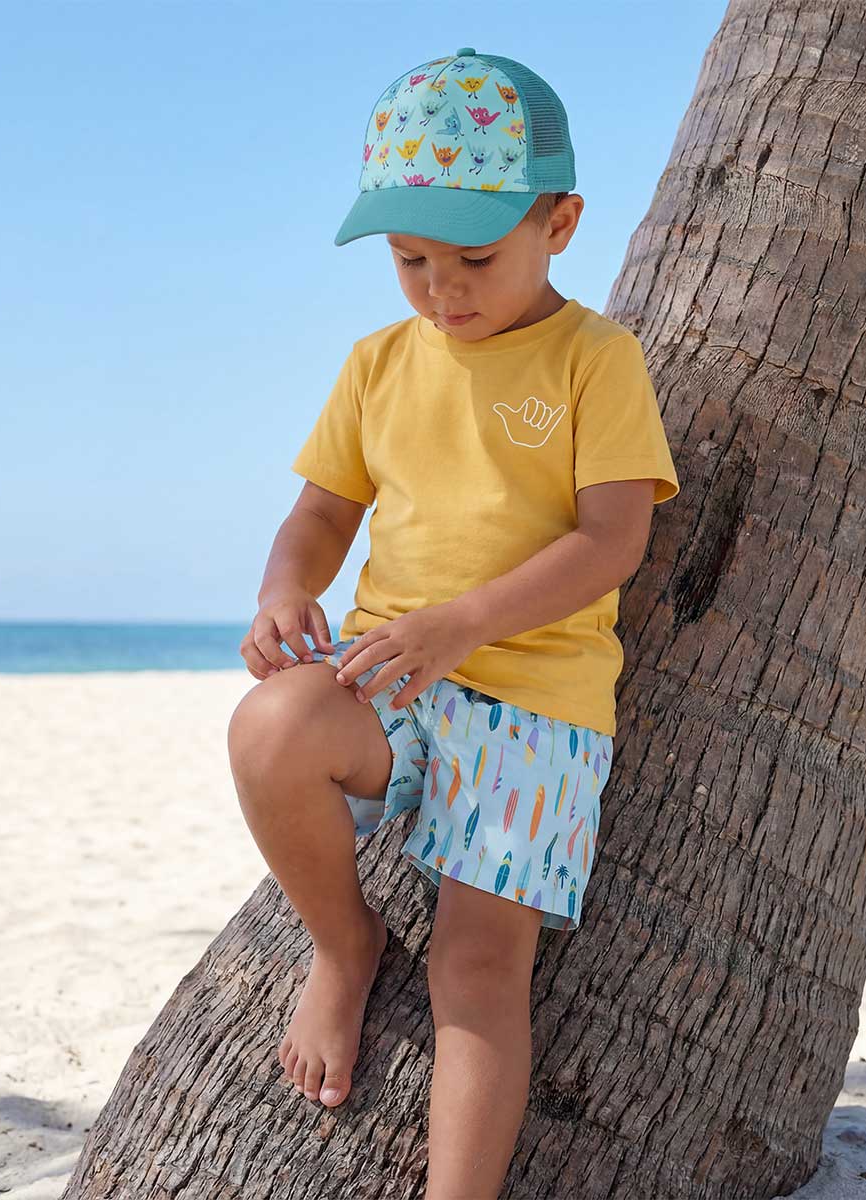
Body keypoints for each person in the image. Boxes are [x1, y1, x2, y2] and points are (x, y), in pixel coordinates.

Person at [226, 46, 680, 1200]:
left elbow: (611, 540)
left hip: (536, 709)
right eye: (411, 259)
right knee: (270, 730)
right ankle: (345, 945)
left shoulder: (596, 359)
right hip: (393, 679)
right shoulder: (378, 364)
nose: (443, 289)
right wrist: (284, 590)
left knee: (478, 974)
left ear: (559, 223)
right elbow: (321, 514)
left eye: (475, 257)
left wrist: (464, 624)